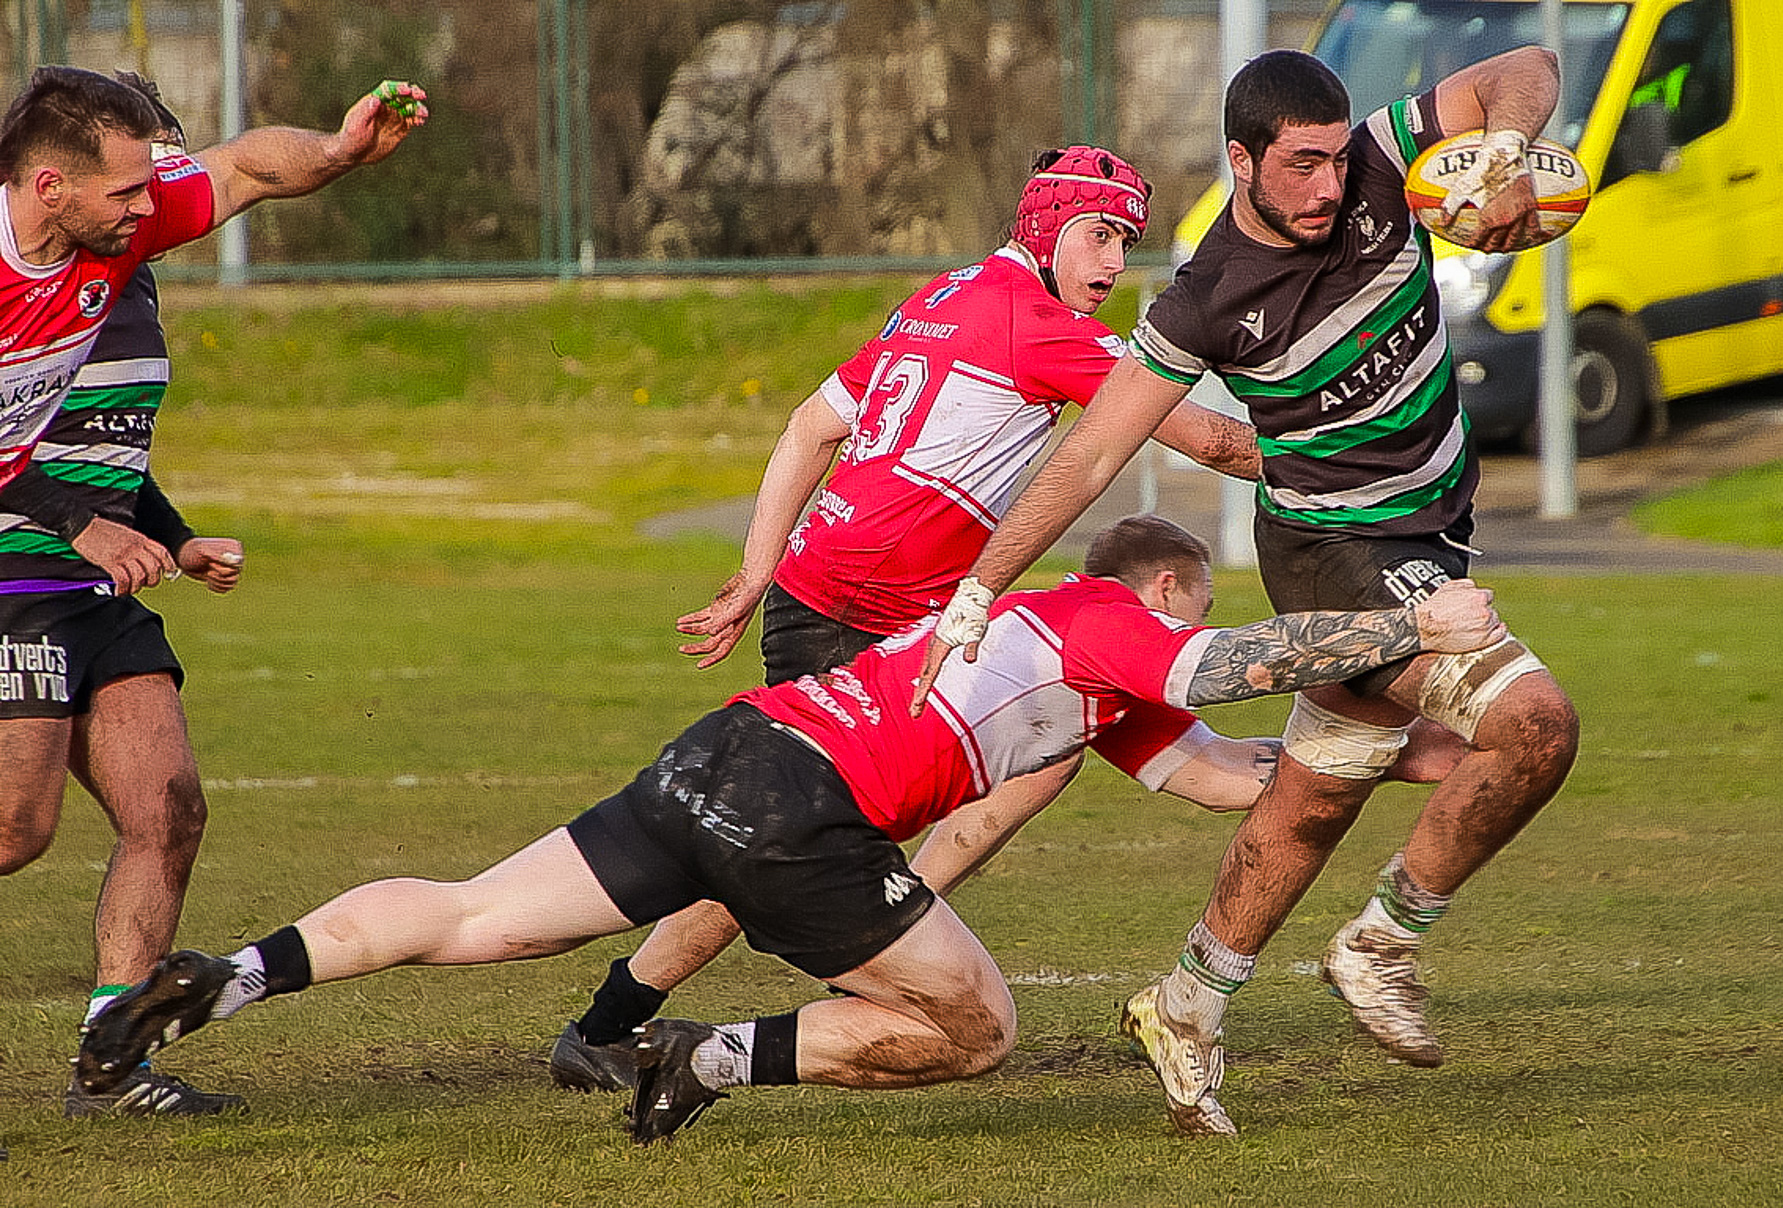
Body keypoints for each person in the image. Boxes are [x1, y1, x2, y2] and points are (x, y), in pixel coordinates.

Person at [73, 517, 1508, 1145]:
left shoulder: (1078, 671)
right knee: (979, 1029)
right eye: (1185, 608)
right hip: (802, 812)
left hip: (730, 752)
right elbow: (1225, 665)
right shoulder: (1112, 619)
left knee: (471, 914)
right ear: (1161, 588)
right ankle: (700, 1056)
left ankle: (225, 977)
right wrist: (1408, 626)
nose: (1180, 633)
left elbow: (1218, 764)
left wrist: (1385, 758)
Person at [910, 48, 1581, 1136]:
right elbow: (1088, 458)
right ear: (1242, 161)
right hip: (1334, 550)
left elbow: (1529, 66)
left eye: (1334, 157)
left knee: (1317, 797)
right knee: (1537, 723)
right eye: (1303, 164)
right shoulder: (1206, 298)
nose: (1329, 185)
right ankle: (1384, 940)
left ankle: (1187, 1001)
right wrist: (980, 587)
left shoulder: (1379, 163)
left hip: (1437, 526)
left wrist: (1500, 156)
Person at [549, 145, 1268, 1089]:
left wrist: (757, 570)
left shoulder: (943, 296)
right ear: (1046, 226)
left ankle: (887, 917)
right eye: (1097, 235)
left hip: (847, 600)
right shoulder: (1037, 322)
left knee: (1039, 747)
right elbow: (1207, 437)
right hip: (867, 617)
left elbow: (813, 424)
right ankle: (619, 1023)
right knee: (773, 842)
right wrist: (1348, 462)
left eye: (1125, 243)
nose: (1108, 266)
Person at [0, 66, 426, 1112]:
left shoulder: (116, 236)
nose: (154, 208)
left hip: (83, 583)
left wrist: (333, 150)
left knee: (170, 806)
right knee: (15, 828)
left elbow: (239, 167)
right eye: (130, 191)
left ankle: (110, 1063)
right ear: (51, 185)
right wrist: (81, 522)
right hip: (11, 577)